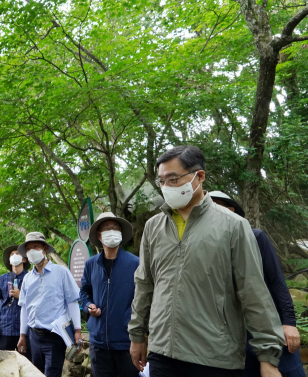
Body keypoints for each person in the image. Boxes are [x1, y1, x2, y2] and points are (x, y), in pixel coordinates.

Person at [129, 145, 285, 377]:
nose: (166, 187)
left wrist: (268, 357)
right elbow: (144, 284)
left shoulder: (233, 225)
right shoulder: (154, 227)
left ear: (199, 176)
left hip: (215, 355)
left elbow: (252, 291)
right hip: (162, 351)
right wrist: (136, 336)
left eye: (173, 179)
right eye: (161, 181)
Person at [209, 191, 306, 377]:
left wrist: (289, 323)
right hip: (234, 338)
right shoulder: (206, 247)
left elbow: (277, 282)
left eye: (216, 207)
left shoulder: (256, 237)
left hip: (271, 330)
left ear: (231, 211)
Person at [80, 213, 139, 377]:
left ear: (121, 234)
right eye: (107, 229)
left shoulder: (135, 263)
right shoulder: (91, 264)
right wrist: (89, 305)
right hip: (98, 343)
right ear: (99, 235)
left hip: (126, 341)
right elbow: (84, 292)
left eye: (115, 228)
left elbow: (143, 299)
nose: (112, 231)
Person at [16, 232, 82, 377]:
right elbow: (24, 308)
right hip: (33, 336)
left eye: (36, 246)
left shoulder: (61, 273)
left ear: (45, 249)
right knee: (35, 373)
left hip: (54, 336)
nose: (32, 251)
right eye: (29, 248)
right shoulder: (27, 278)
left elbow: (72, 302)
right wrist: (22, 335)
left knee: (52, 374)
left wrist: (77, 330)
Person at [0, 245, 32, 360]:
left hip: (26, 331)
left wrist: (22, 296)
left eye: (18, 253)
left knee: (27, 364)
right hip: (5, 328)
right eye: (12, 254)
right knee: (4, 365)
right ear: (9, 261)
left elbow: (37, 302)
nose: (14, 256)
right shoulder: (2, 278)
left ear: (24, 259)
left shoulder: (31, 278)